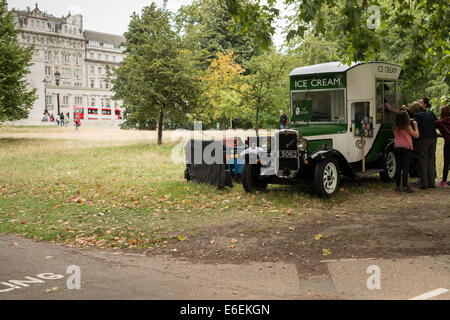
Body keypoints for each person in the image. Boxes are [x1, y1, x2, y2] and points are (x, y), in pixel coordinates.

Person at [413, 101, 438, 189]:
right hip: (433, 138)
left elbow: (415, 128)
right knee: (431, 160)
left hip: (423, 139)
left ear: (415, 110)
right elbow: (436, 122)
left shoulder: (417, 116)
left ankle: (424, 184)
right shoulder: (430, 113)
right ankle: (432, 183)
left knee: (423, 161)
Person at [393, 110, 419, 193]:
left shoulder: (395, 126)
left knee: (398, 167)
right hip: (407, 147)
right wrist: (416, 126)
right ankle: (405, 186)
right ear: (406, 118)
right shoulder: (407, 126)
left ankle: (397, 186)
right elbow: (416, 135)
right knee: (406, 167)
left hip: (397, 147)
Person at [434, 105, 450, 186]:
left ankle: (443, 181)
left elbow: (433, 125)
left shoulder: (439, 122)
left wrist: (436, 135)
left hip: (448, 142)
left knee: (446, 161)